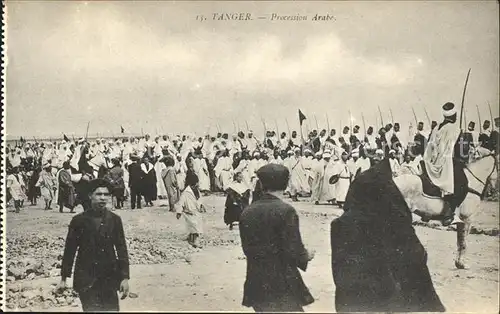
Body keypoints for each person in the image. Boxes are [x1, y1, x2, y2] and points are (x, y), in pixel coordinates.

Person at [330, 158, 445, 312]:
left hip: (351, 302)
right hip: (387, 301)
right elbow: (416, 257)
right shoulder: (393, 222)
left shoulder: (339, 224)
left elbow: (338, 271)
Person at [239, 164, 315, 313]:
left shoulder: (248, 211)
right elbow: (293, 249)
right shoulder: (286, 211)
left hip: (256, 278)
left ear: (261, 184)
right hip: (282, 280)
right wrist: (306, 255)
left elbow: (247, 248)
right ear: (286, 184)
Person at [57, 179, 130, 312]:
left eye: (106, 195)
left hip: (109, 279)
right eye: (99, 194)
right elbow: (70, 250)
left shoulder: (115, 220)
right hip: (86, 280)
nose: (103, 198)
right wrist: (63, 278)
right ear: (90, 195)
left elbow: (121, 249)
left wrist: (124, 278)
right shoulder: (78, 221)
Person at [423, 102, 468, 226]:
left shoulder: (437, 128)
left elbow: (430, 147)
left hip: (433, 162)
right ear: (454, 115)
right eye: (456, 115)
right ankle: (448, 213)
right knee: (462, 183)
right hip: (446, 162)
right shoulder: (455, 129)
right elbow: (459, 150)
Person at [175, 157, 205, 248]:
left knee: (195, 227)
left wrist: (201, 205)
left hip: (196, 211)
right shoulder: (186, 192)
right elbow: (181, 203)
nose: (197, 185)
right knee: (194, 226)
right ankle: (195, 241)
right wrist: (179, 212)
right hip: (189, 211)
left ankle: (191, 238)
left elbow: (199, 199)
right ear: (192, 184)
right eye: (196, 183)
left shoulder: (197, 191)